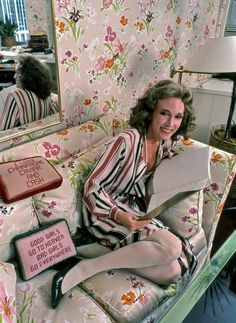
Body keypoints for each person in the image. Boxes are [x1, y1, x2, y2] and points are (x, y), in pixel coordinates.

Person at [51, 79, 196, 309]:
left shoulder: (164, 144)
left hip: (133, 209)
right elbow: (91, 187)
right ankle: (83, 269)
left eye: (178, 117)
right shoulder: (126, 140)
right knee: (173, 247)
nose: (171, 123)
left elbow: (145, 188)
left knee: (172, 271)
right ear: (151, 112)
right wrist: (118, 215)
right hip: (104, 211)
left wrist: (166, 173)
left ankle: (94, 254)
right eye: (165, 113)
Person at [0, 54, 58, 131]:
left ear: (27, 75)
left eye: (17, 72)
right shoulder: (47, 96)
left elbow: (3, 130)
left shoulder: (16, 96)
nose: (14, 76)